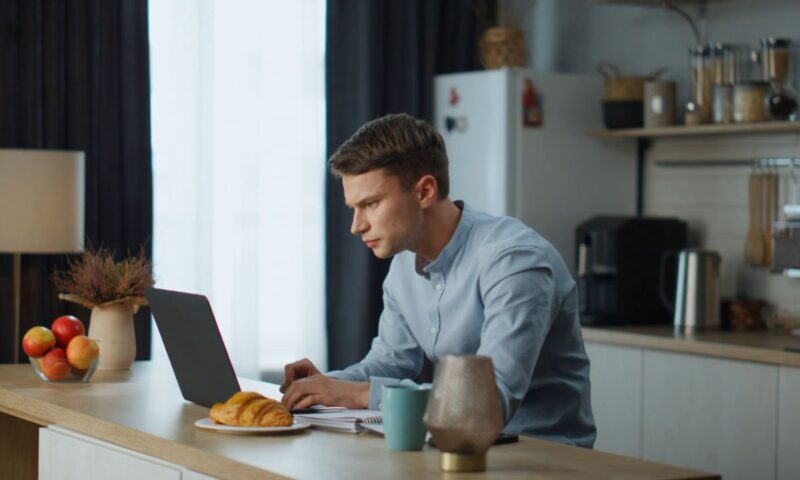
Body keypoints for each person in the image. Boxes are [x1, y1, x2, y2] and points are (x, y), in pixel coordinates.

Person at [280, 113, 596, 447]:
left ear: (425, 191)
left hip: (542, 458)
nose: (356, 226)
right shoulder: (404, 266)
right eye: (353, 208)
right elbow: (390, 362)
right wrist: (322, 385)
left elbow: (488, 404)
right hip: (453, 448)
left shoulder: (514, 260)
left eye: (370, 204)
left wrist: (357, 393)